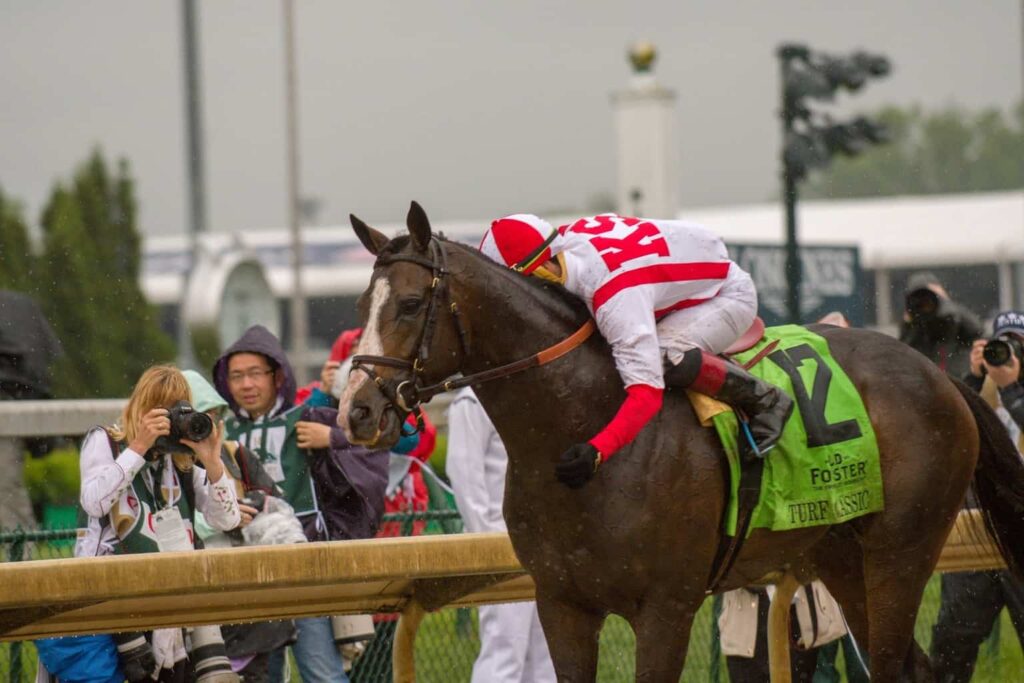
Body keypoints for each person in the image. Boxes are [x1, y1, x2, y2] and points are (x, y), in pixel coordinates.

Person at [478, 213, 793, 488]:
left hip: (727, 295)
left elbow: (647, 394)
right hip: (676, 273)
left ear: (541, 269)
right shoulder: (566, 238)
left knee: (666, 356)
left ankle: (766, 400)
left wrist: (598, 450)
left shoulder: (615, 297)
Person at [212, 324, 389, 683]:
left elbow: (377, 442)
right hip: (247, 576)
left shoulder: (308, 420)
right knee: (262, 677)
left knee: (321, 672)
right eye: (237, 376)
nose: (246, 384)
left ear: (277, 376)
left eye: (255, 373)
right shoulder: (218, 433)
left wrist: (333, 438)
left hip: (305, 568)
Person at [75, 364, 241, 682]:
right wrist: (138, 447)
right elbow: (94, 502)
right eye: (162, 411)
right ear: (141, 408)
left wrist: (212, 462)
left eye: (179, 411)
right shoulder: (106, 441)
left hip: (170, 601)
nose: (170, 422)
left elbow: (227, 519)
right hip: (113, 605)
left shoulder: (180, 461)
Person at [930, 310, 1024, 682]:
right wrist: (972, 378)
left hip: (1020, 530)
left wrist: (1012, 389)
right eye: (1001, 345)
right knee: (953, 640)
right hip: (979, 525)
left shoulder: (1011, 390)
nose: (1008, 354)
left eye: (1018, 345)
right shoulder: (979, 390)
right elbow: (943, 436)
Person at [185, 370, 297, 683]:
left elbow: (275, 505)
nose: (206, 425)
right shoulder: (166, 463)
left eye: (213, 416)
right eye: (198, 416)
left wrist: (252, 506)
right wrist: (223, 520)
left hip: (252, 601)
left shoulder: (236, 455)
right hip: (197, 599)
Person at [446, 387, 557, 683]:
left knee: (548, 656)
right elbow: (464, 475)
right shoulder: (471, 402)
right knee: (504, 650)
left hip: (543, 549)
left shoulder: (530, 397)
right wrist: (489, 546)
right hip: (502, 546)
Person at [898, 271, 983, 378]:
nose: (925, 305)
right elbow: (901, 354)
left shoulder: (951, 320)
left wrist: (946, 303)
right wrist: (908, 323)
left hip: (953, 380)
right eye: (919, 301)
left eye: (929, 299)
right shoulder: (914, 328)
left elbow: (976, 330)